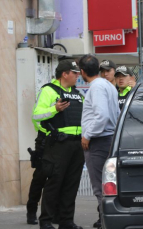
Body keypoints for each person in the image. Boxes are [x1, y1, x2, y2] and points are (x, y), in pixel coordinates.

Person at [33, 60, 85, 229]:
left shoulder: (77, 93)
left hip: (77, 145)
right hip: (58, 144)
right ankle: (46, 221)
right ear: (65, 74)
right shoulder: (48, 91)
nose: (78, 76)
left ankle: (66, 221)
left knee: (71, 184)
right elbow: (36, 115)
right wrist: (55, 109)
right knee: (54, 183)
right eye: (74, 73)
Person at [79, 55, 120, 229]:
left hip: (99, 141)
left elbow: (101, 116)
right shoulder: (107, 86)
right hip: (109, 139)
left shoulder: (96, 87)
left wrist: (87, 135)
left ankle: (106, 223)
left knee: (101, 188)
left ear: (82, 72)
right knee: (109, 186)